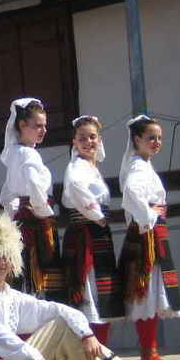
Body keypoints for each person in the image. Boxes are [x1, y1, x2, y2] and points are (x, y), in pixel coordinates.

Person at [0, 213, 168, 360]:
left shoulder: (12, 296)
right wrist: (36, 358)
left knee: (61, 324)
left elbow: (53, 309)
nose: (0, 263)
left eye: (6, 257)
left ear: (13, 262)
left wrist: (86, 334)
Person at [119, 115, 180, 360]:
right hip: (147, 235)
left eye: (158, 138)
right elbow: (131, 195)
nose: (156, 142)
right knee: (146, 293)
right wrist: (148, 217)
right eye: (150, 138)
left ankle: (151, 354)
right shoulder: (137, 167)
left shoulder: (143, 164)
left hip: (151, 233)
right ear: (137, 140)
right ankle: (149, 356)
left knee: (152, 293)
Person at [61, 115, 125, 348]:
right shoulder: (76, 167)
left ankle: (102, 352)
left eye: (92, 137)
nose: (88, 142)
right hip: (86, 233)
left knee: (103, 291)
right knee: (90, 290)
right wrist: (97, 216)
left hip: (97, 233)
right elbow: (76, 189)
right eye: (82, 138)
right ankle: (93, 355)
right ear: (74, 142)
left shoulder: (92, 168)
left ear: (99, 139)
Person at [0, 98, 65, 301]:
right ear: (21, 125)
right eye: (38, 125)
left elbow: (6, 195)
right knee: (40, 277)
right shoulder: (28, 155)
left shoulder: (16, 153)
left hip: (22, 219)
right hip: (36, 221)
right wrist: (45, 212)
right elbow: (36, 189)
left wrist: (12, 216)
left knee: (25, 277)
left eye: (45, 125)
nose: (43, 130)